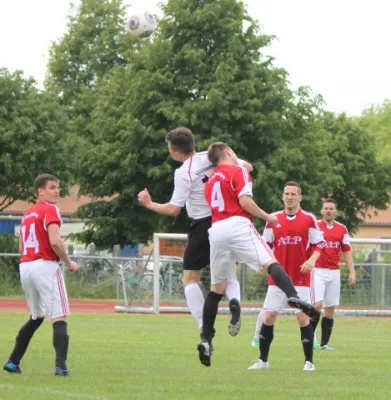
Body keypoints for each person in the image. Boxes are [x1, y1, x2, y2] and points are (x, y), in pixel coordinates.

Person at [197, 143, 321, 367]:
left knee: (216, 290)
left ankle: (206, 338)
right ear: (227, 153)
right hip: (237, 224)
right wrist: (267, 216)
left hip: (215, 231)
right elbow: (245, 200)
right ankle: (292, 296)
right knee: (271, 262)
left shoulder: (211, 179)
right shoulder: (238, 171)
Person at [138, 127, 253, 333]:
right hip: (226, 221)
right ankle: (234, 302)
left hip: (202, 225)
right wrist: (233, 156)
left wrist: (149, 204)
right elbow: (248, 168)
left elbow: (174, 209)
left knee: (190, 279)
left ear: (174, 151)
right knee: (228, 275)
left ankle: (203, 324)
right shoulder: (210, 157)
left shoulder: (183, 172)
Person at [3, 174, 80, 376]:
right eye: (52, 187)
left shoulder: (28, 213)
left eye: (58, 188)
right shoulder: (50, 209)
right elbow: (55, 241)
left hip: (26, 266)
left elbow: (21, 246)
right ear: (40, 191)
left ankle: (13, 361)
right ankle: (61, 366)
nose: (57, 191)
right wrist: (69, 262)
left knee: (36, 316)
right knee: (59, 315)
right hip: (45, 266)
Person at [248, 181, 325, 372]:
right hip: (277, 278)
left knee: (302, 318)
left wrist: (313, 260)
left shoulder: (309, 219)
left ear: (300, 197)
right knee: (269, 316)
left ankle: (309, 362)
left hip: (301, 278)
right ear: (282, 196)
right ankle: (263, 361)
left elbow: (319, 244)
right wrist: (261, 263)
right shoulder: (272, 219)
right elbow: (265, 245)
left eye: (293, 194)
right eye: (286, 194)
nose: (289, 197)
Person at [311, 198, 356, 350]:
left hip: (334, 272)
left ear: (336, 212)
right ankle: (310, 338)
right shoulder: (315, 226)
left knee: (330, 308)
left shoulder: (342, 229)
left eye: (331, 208)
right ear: (321, 211)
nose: (328, 211)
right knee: (317, 304)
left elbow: (347, 251)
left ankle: (324, 344)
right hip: (317, 271)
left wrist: (352, 271)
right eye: (326, 208)